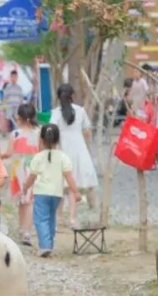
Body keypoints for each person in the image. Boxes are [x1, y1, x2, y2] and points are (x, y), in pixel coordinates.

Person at [24, 124, 82, 257]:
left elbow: (31, 177)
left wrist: (25, 187)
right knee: (51, 219)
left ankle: (45, 246)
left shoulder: (37, 157)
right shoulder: (63, 157)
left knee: (40, 219)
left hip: (41, 193)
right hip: (56, 194)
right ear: (58, 140)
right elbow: (69, 177)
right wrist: (76, 192)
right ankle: (49, 243)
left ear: (42, 140)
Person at [50, 83, 99, 227]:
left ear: (59, 97)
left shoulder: (55, 113)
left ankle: (58, 218)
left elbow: (52, 131)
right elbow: (88, 132)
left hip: (61, 149)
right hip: (78, 149)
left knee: (60, 185)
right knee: (73, 185)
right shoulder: (80, 111)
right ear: (73, 96)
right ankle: (72, 218)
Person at [1, 103, 41, 245]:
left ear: (19, 117)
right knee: (30, 200)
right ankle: (26, 230)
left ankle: (23, 229)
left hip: (17, 170)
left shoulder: (15, 134)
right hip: (33, 169)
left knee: (21, 201)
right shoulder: (39, 132)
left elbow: (9, 153)